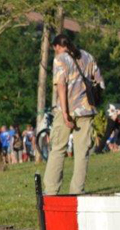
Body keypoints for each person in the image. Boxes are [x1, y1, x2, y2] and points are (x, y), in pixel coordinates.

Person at [43, 34, 104, 195]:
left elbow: (61, 86)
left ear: (57, 46)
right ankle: (77, 190)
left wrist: (65, 113)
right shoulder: (87, 56)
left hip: (66, 109)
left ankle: (51, 190)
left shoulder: (60, 59)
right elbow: (99, 81)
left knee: (58, 148)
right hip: (86, 109)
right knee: (82, 152)